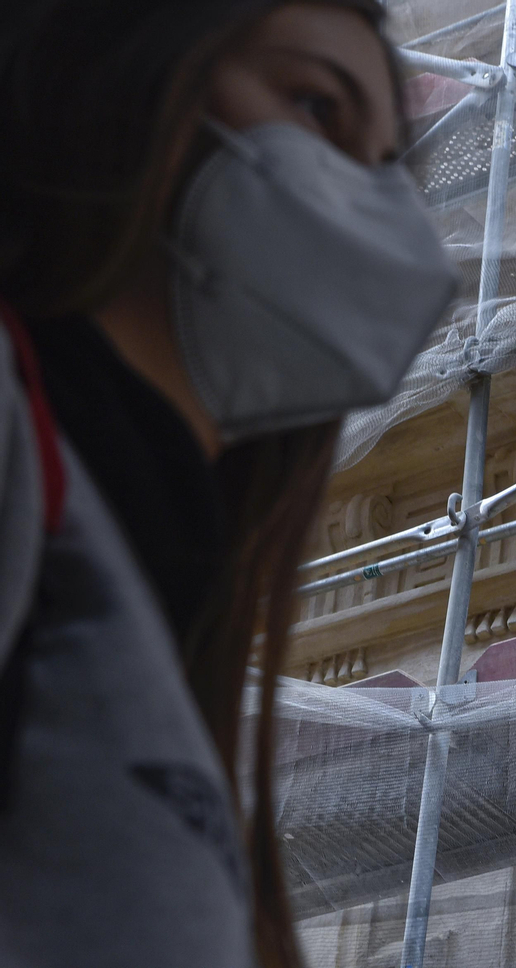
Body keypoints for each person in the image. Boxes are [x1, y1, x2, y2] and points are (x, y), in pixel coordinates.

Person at [0, 2, 457, 965]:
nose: (377, 219)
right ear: (135, 74)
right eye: (318, 106)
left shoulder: (156, 582)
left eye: (387, 173)